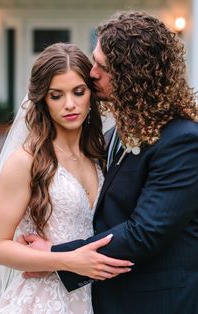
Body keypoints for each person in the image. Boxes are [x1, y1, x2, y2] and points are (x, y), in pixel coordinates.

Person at [28, 12, 198, 314]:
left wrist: (57, 256)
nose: (91, 73)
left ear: (133, 77)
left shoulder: (184, 141)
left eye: (102, 67)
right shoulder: (116, 133)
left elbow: (144, 233)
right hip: (108, 299)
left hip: (157, 302)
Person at [0, 43, 133, 314]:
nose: (69, 104)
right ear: (43, 99)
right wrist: (68, 261)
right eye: (56, 95)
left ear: (91, 94)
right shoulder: (25, 161)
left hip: (96, 299)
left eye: (79, 92)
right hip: (43, 302)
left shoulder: (101, 155)